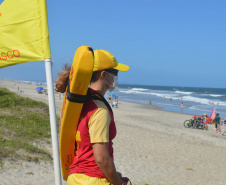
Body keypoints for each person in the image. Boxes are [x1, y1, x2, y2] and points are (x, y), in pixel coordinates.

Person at [56, 49, 130, 185]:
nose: (116, 78)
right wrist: (119, 183)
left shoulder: (81, 101)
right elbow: (101, 158)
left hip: (76, 177)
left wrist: (114, 175)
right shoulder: (99, 110)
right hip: (93, 179)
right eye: (115, 73)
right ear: (104, 75)